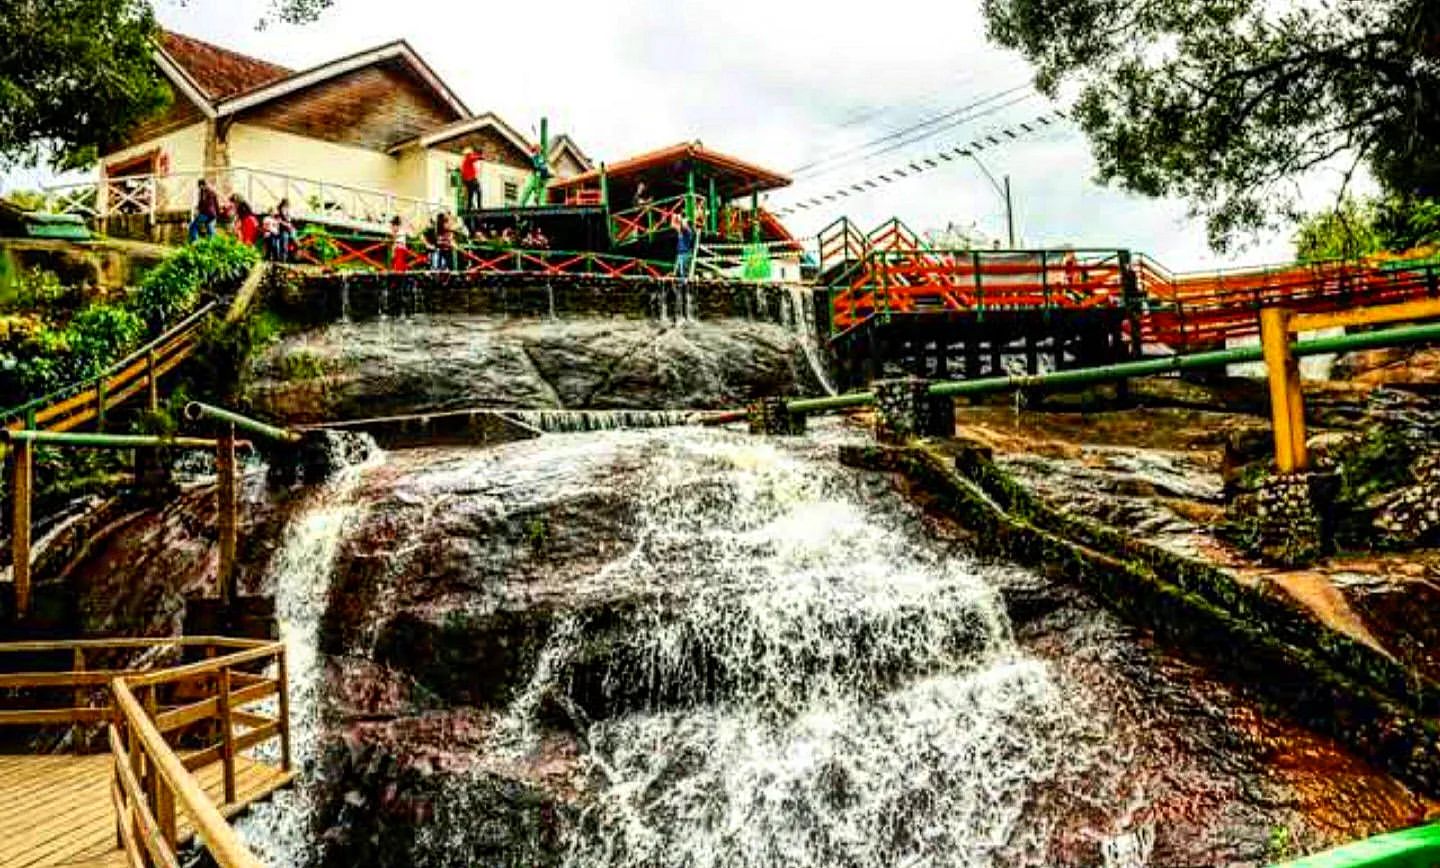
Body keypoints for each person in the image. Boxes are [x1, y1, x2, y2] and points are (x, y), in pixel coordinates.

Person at [672, 213, 695, 282]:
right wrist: (675, 217)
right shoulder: (684, 231)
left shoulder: (688, 231)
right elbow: (674, 226)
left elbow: (681, 226)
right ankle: (682, 286)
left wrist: (679, 218)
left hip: (685, 253)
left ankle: (685, 286)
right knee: (680, 272)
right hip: (681, 253)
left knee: (683, 273)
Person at [460, 146, 483, 215]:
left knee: (471, 194)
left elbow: (462, 173)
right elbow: (474, 158)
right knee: (479, 191)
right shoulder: (468, 158)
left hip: (468, 180)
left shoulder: (464, 162)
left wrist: (464, 182)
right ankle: (479, 207)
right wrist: (480, 157)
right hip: (471, 180)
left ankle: (469, 208)